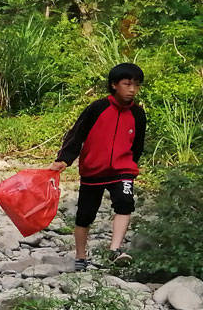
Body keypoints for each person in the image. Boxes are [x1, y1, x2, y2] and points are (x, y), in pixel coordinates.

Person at [49, 63, 146, 271]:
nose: (132, 90)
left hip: (123, 169)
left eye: (136, 85)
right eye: (127, 84)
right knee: (85, 215)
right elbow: (77, 134)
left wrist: (131, 165)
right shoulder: (97, 108)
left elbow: (138, 144)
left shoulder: (138, 114)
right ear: (114, 85)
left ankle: (115, 250)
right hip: (93, 170)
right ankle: (81, 256)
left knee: (125, 202)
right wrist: (64, 159)